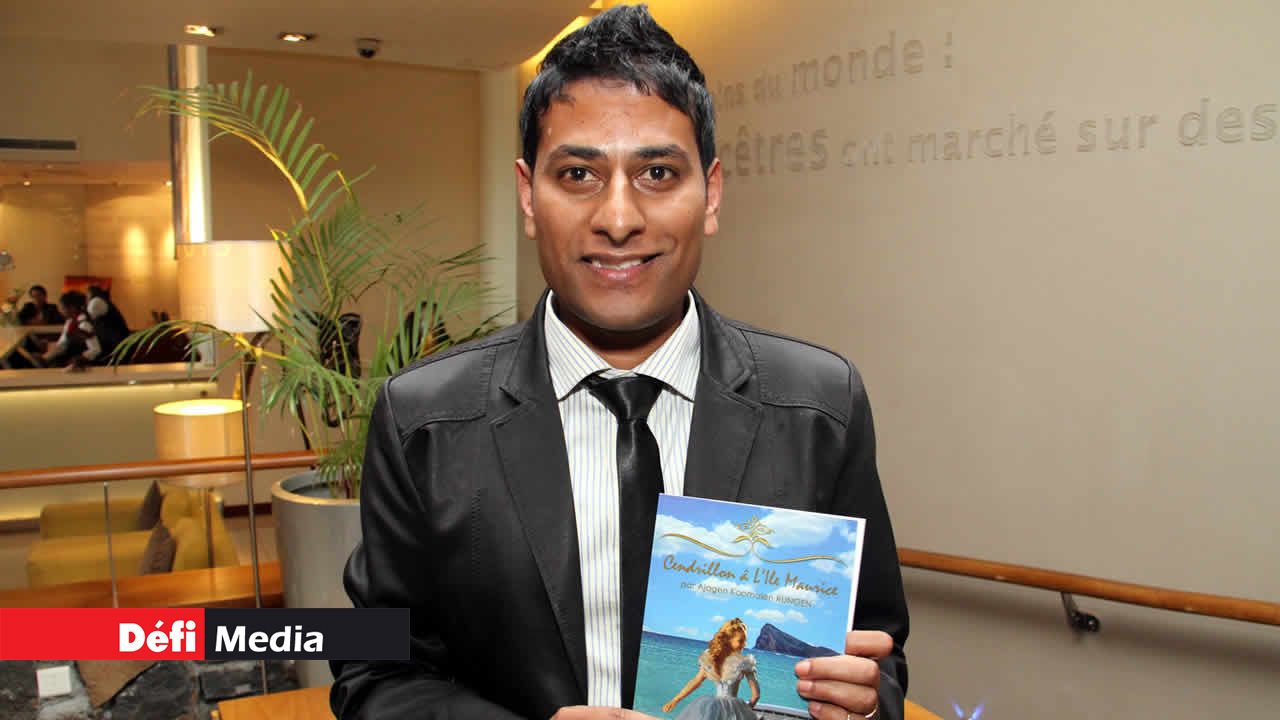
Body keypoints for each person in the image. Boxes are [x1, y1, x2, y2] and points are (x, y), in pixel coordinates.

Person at [332, 6, 908, 720]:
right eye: (578, 173)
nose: (618, 218)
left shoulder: (819, 408)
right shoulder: (423, 419)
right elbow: (371, 669)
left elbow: (882, 658)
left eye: (658, 173)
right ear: (528, 196)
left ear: (711, 193)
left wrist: (865, 704)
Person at [662, 619, 759, 719]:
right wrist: (745, 710)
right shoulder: (744, 663)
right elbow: (756, 695)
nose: (744, 644)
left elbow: (696, 681)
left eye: (745, 641)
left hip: (713, 708)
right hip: (732, 711)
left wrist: (676, 699)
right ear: (728, 640)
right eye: (741, 641)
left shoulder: (713, 659)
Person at [43, 290, 99, 368]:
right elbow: (62, 345)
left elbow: (95, 350)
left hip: (79, 366)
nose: (60, 311)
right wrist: (45, 357)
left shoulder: (84, 324)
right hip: (67, 361)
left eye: (62, 308)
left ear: (72, 308)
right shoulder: (70, 322)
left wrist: (81, 358)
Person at [86, 285, 130, 363]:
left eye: (87, 295)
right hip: (117, 343)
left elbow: (88, 316)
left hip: (114, 345)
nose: (86, 298)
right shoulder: (103, 301)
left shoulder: (96, 301)